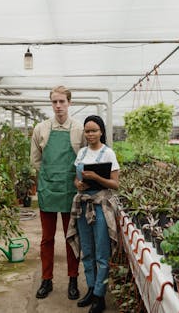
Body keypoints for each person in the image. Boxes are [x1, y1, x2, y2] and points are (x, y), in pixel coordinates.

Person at [30, 85, 86, 300]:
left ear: (69, 103)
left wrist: (77, 179)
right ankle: (47, 280)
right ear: (51, 103)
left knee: (72, 237)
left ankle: (73, 279)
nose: (58, 105)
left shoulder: (79, 129)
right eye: (54, 101)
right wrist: (47, 178)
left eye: (62, 101)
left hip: (71, 190)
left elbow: (82, 159)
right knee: (47, 238)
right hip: (48, 189)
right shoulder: (41, 128)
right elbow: (35, 160)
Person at [67, 115, 120, 313]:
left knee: (102, 252)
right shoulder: (81, 153)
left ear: (101, 132)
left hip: (100, 206)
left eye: (94, 130)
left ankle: (100, 295)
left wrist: (97, 177)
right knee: (87, 250)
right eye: (87, 131)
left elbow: (115, 184)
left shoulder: (108, 154)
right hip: (82, 205)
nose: (90, 134)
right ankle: (90, 288)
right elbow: (76, 178)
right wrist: (78, 184)